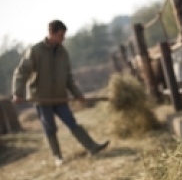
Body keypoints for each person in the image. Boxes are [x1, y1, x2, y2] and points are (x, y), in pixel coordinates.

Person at [12, 20, 109, 166]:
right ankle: (58, 157)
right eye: (61, 35)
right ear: (51, 33)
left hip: (60, 96)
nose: (63, 38)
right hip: (42, 98)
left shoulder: (63, 52)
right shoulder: (36, 50)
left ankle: (92, 147)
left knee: (71, 122)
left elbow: (68, 77)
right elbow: (21, 72)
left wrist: (77, 94)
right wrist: (17, 93)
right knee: (49, 127)